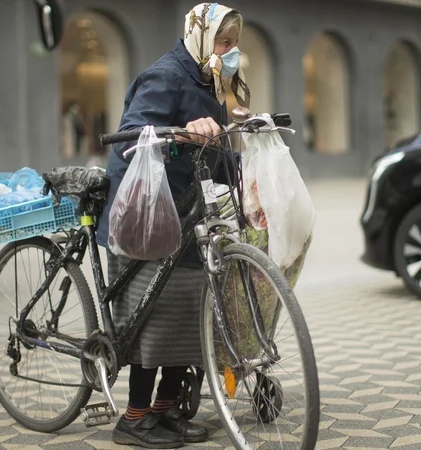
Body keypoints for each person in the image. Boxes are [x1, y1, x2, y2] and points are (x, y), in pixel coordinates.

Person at [96, 3, 250, 448]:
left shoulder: (209, 79)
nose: (231, 51)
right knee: (155, 318)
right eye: (224, 41)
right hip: (146, 216)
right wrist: (182, 132)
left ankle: (163, 413)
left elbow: (215, 154)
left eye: (235, 43)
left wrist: (248, 167)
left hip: (186, 215)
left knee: (188, 312)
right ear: (200, 36)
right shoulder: (165, 76)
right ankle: (132, 419)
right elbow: (131, 140)